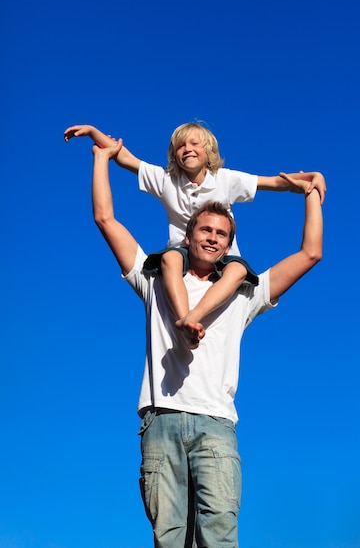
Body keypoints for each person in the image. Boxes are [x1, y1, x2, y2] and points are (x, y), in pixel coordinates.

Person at [90, 138, 323, 548]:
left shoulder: (244, 294)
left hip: (215, 425)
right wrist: (101, 160)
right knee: (169, 540)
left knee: (218, 538)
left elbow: (309, 254)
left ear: (229, 244)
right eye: (205, 229)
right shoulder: (155, 281)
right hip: (160, 422)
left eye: (221, 233)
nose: (213, 237)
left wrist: (312, 195)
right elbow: (106, 219)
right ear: (189, 234)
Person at [65, 122, 326, 344]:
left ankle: (196, 315)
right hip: (182, 250)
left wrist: (313, 177)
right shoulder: (166, 179)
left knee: (238, 271)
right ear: (173, 154)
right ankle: (184, 318)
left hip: (224, 259)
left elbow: (274, 182)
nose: (187, 149)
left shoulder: (225, 179)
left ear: (209, 152)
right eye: (180, 146)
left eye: (194, 144)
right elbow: (123, 157)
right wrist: (93, 132)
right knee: (169, 259)